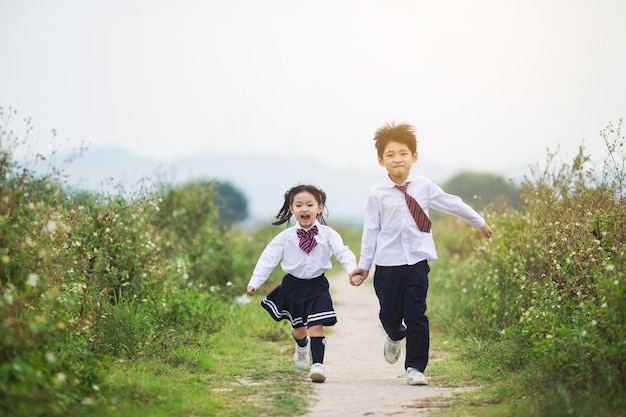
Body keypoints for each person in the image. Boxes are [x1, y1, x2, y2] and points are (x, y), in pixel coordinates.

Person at [349, 121, 492, 386]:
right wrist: (364, 266)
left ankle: (415, 367)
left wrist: (479, 222)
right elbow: (371, 231)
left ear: (414, 157)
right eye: (390, 155)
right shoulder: (377, 193)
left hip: (417, 262)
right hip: (387, 264)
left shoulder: (424, 187)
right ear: (381, 161)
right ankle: (394, 334)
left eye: (403, 153)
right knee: (388, 314)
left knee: (417, 314)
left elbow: (452, 204)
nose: (397, 159)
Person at [247, 184, 361, 383]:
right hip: (293, 286)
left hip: (317, 286)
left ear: (319, 207)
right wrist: (255, 282)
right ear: (291, 209)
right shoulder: (285, 237)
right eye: (299, 205)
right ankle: (301, 346)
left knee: (316, 324)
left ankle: (318, 365)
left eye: (309, 204)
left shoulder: (328, 234)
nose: (304, 209)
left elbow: (343, 252)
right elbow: (268, 259)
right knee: (299, 328)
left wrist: (352, 271)